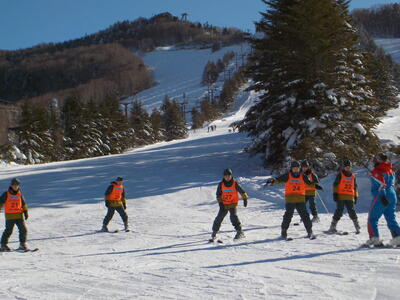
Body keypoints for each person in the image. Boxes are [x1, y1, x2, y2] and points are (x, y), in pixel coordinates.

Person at [266, 161, 316, 239]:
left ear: (299, 169)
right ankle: (284, 231)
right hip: (290, 199)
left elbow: (309, 183)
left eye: (297, 168)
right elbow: (279, 180)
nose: (295, 170)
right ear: (291, 169)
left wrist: (314, 184)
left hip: (300, 199)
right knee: (288, 215)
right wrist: (273, 181)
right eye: (294, 168)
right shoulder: (287, 176)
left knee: (305, 215)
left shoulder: (303, 176)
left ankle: (310, 231)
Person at [365, 153, 400, 246]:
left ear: (379, 160)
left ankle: (374, 239)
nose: (374, 160)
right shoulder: (390, 169)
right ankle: (398, 237)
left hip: (381, 195)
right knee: (391, 218)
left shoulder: (377, 171)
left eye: (376, 158)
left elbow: (382, 184)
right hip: (392, 195)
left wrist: (382, 195)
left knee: (372, 219)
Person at [211, 168, 248, 241]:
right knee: (219, 218)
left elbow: (242, 191)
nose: (227, 177)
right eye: (226, 176)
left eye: (229, 176)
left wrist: (245, 199)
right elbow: (218, 194)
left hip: (232, 203)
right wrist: (220, 203)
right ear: (223, 176)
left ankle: (240, 232)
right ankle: (214, 232)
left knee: (233, 216)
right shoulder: (221, 184)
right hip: (224, 204)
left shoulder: (235, 183)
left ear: (231, 176)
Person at [327, 160, 360, 234]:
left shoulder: (353, 176)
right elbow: (335, 185)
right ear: (344, 167)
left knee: (351, 211)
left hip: (350, 196)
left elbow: (355, 187)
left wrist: (356, 196)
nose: (348, 168)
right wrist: (335, 193)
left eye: (349, 167)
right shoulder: (340, 175)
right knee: (339, 210)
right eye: (346, 167)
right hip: (341, 196)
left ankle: (357, 226)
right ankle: (333, 226)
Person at [0, 178, 29, 251]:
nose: (15, 187)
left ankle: (22, 244)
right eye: (14, 185)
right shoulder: (6, 194)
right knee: (8, 230)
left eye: (17, 185)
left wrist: (25, 211)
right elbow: (0, 202)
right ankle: (3, 245)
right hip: (10, 216)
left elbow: (23, 203)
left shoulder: (19, 193)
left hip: (19, 215)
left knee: (23, 230)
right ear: (11, 185)